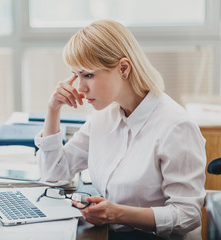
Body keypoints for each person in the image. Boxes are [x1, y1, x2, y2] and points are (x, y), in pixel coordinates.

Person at [34, 19, 206, 240]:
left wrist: (116, 214)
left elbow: (187, 216)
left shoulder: (176, 127)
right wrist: (52, 109)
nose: (79, 88)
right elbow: (53, 173)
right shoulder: (104, 116)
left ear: (123, 68)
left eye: (87, 75)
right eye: (76, 75)